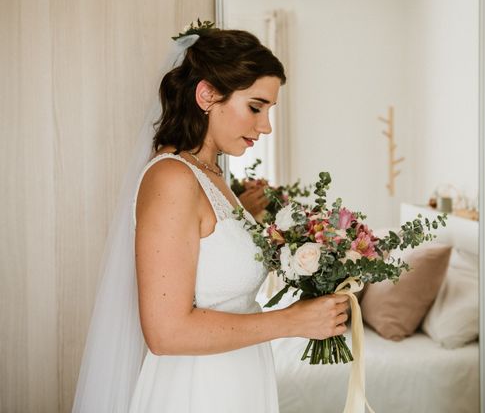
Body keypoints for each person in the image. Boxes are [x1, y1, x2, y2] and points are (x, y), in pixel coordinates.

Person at [72, 26, 349, 413]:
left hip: (237, 379)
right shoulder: (171, 177)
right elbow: (166, 332)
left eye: (269, 111)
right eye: (255, 107)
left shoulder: (212, 175)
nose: (265, 126)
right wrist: (290, 321)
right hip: (196, 391)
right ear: (207, 95)